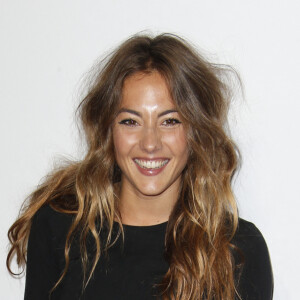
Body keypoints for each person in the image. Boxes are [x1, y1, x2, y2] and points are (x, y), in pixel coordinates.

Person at [7, 33, 273, 300]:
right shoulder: (59, 229)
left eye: (170, 121)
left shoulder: (237, 249)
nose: (150, 143)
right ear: (107, 130)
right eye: (130, 121)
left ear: (196, 131)